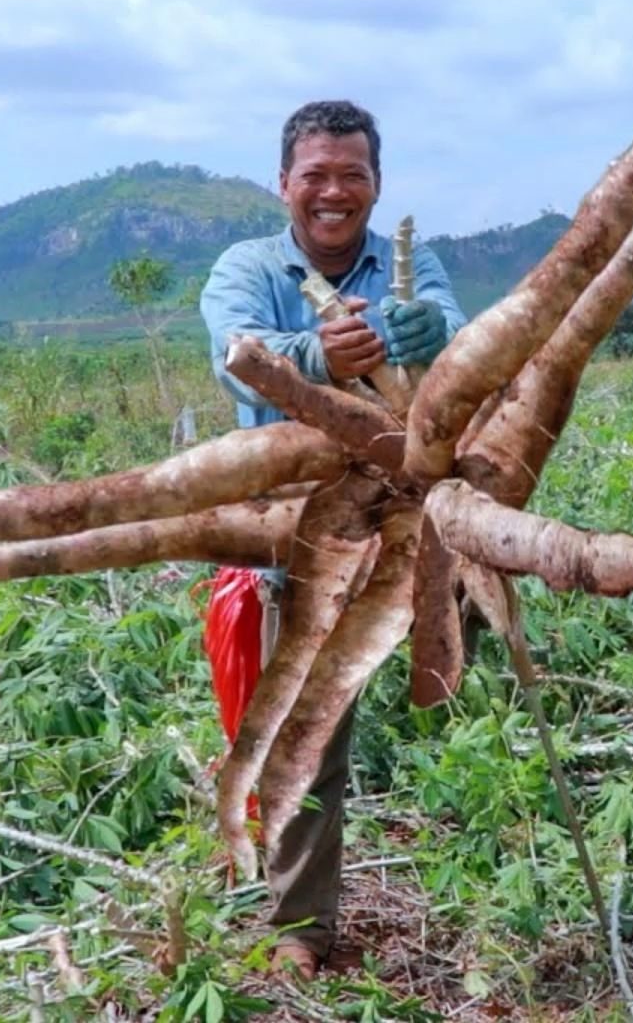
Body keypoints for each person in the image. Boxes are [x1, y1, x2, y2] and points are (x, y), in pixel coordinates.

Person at [197, 99, 468, 979]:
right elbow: (237, 347)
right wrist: (318, 358)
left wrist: (436, 334)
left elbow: (446, 325)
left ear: (376, 186)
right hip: (299, 516)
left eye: (353, 175)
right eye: (316, 174)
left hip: (401, 500)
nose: (334, 191)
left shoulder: (408, 262)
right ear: (285, 184)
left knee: (460, 637)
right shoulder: (246, 267)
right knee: (307, 725)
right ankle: (300, 928)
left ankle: (489, 797)